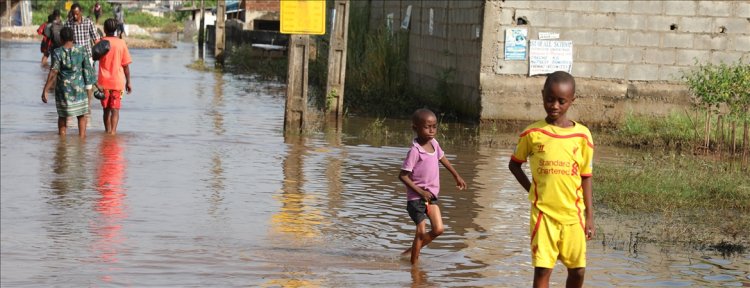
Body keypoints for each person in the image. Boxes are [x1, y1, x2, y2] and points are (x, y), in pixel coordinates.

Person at [508, 71, 595, 288]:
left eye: (561, 101)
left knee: (578, 270)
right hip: (543, 215)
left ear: (572, 101)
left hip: (573, 215)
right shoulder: (533, 133)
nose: (554, 105)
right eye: (549, 99)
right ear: (542, 95)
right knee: (543, 270)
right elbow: (514, 164)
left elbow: (586, 176)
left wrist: (590, 216)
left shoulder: (582, 136)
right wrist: (531, 189)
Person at [399, 108, 467, 265]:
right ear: (415, 128)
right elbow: (402, 176)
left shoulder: (434, 144)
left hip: (430, 197)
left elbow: (443, 159)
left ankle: (411, 251)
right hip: (416, 198)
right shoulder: (415, 151)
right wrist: (420, 191)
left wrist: (456, 175)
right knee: (421, 232)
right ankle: (414, 268)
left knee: (438, 229)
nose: (431, 130)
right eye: (426, 127)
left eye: (434, 126)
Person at [41, 27, 96, 138]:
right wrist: (95, 84)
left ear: (61, 39)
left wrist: (45, 90)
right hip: (79, 89)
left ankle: (62, 140)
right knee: (81, 115)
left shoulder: (57, 52)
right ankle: (82, 140)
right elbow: (88, 69)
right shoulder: (81, 50)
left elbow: (53, 72)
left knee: (62, 116)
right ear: (73, 38)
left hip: (63, 91)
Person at [97, 18, 132, 135]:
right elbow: (126, 66)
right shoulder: (121, 43)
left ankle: (107, 132)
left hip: (103, 83)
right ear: (116, 30)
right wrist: (128, 82)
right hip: (117, 82)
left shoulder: (100, 42)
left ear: (105, 29)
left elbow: (93, 57)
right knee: (115, 110)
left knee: (106, 110)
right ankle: (112, 134)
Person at [66, 2, 100, 112]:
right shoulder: (68, 24)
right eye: (73, 14)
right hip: (73, 57)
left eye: (76, 14)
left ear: (80, 12)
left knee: (88, 82)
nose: (75, 16)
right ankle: (75, 103)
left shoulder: (88, 23)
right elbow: (66, 41)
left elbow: (96, 39)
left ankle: (87, 106)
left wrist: (97, 55)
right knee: (73, 81)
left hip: (87, 56)